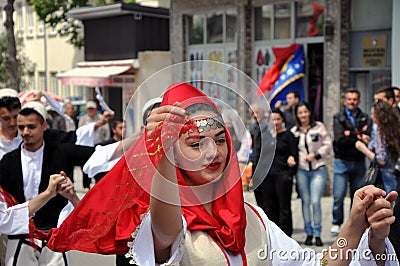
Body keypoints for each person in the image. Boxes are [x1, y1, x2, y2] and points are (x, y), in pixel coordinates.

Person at [43, 83, 397, 265]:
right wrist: (162, 153)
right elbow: (165, 231)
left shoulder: (253, 218)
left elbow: (316, 262)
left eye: (218, 140)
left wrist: (358, 227)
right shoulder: (169, 220)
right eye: (195, 143)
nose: (211, 152)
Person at [0, 101, 94, 266]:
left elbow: (101, 155)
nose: (25, 132)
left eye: (31, 126)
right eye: (21, 127)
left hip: (53, 238)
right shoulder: (8, 162)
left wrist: (136, 141)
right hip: (20, 238)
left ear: (44, 126)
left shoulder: (60, 153)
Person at [331, 88, 373, 236]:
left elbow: (368, 137)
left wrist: (350, 134)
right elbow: (339, 139)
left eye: (355, 99)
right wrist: (358, 136)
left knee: (357, 196)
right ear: (345, 101)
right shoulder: (338, 117)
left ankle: (352, 223)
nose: (352, 102)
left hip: (359, 162)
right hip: (341, 161)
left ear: (359, 101)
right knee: (339, 195)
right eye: (349, 99)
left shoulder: (365, 117)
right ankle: (336, 222)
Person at [291, 102, 332, 246]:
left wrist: (316, 154)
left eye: (305, 112)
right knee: (305, 202)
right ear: (297, 114)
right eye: (300, 112)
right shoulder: (294, 131)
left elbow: (328, 144)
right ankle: (308, 233)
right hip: (302, 170)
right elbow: (291, 149)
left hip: (318, 169)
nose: (303, 115)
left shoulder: (319, 127)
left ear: (309, 112)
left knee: (315, 201)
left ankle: (317, 233)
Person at [259, 108, 297, 236]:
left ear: (282, 120)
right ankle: (273, 235)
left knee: (284, 206)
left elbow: (294, 154)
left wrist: (292, 160)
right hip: (267, 175)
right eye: (273, 119)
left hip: (283, 174)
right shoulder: (264, 134)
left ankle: (286, 234)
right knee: (269, 206)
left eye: (278, 119)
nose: (275, 122)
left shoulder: (288, 135)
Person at [355, 100, 400, 194]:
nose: (371, 116)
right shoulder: (392, 130)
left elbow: (381, 160)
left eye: (373, 114)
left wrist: (363, 149)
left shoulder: (381, 133)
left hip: (384, 176)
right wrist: (369, 142)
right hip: (393, 173)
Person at [248, 102, 274, 210]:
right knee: (259, 197)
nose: (255, 115)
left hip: (268, 167)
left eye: (257, 112)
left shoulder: (270, 126)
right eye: (252, 113)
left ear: (263, 112)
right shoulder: (252, 128)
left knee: (269, 199)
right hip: (256, 166)